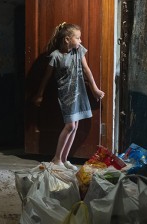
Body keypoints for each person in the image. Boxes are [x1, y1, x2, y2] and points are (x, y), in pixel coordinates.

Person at [33, 22, 105, 170]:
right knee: (70, 124)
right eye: (78, 38)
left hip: (79, 92)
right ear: (67, 39)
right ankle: (56, 158)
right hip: (66, 95)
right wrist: (39, 95)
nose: (80, 41)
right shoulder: (55, 56)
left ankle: (64, 159)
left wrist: (95, 90)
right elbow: (46, 77)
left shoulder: (78, 51)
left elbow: (87, 70)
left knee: (75, 125)